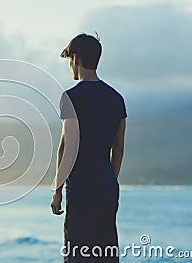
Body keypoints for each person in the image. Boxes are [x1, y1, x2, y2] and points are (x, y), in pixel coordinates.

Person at [50, 33, 127, 263]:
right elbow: (119, 149)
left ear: (75, 58)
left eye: (69, 62)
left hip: (81, 189)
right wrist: (109, 181)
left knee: (78, 255)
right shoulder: (117, 99)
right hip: (107, 187)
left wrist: (57, 190)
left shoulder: (71, 97)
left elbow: (66, 147)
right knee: (106, 254)